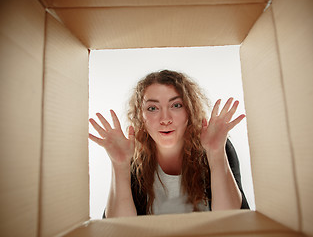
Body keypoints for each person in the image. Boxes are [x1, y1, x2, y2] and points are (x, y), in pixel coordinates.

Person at [89, 70, 249, 218]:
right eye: (152, 108)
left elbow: (232, 220)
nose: (165, 119)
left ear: (190, 111)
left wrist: (215, 152)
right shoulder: (132, 156)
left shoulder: (216, 145)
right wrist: (120, 165)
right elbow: (119, 230)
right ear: (140, 117)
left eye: (176, 105)